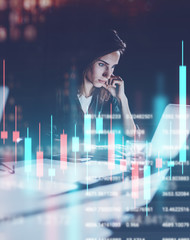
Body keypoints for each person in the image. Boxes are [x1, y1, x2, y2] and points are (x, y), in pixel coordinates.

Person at [54, 29, 136, 157]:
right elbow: (43, 140)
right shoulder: (60, 94)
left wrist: (122, 99)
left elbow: (130, 133)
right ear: (87, 61)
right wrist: (95, 149)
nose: (108, 74)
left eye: (113, 67)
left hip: (92, 169)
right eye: (102, 64)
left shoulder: (106, 97)